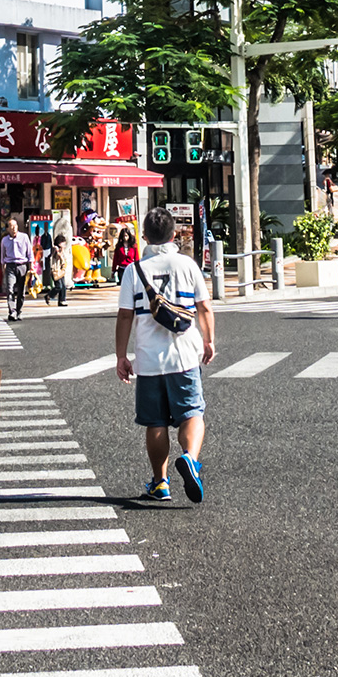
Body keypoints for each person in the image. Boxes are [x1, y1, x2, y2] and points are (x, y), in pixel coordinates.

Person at [114, 205, 215, 504]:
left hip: (148, 359)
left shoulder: (134, 270)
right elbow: (204, 307)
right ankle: (190, 459)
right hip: (184, 355)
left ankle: (161, 483)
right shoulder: (187, 265)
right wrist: (209, 340)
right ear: (174, 235)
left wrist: (121, 356)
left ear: (144, 236)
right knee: (192, 413)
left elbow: (124, 316)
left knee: (155, 422)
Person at [1, 218, 35, 322]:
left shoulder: (24, 237)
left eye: (15, 226)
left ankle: (19, 310)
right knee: (10, 289)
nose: (14, 228)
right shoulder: (4, 240)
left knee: (21, 290)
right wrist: (3, 268)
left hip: (22, 265)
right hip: (10, 265)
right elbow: (3, 255)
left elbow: (30, 252)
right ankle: (12, 311)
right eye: (11, 226)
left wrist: (31, 266)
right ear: (7, 229)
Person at [41, 233, 69, 308]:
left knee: (63, 286)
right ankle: (49, 295)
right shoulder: (55, 250)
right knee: (59, 286)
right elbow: (57, 257)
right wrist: (59, 251)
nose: (64, 245)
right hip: (55, 270)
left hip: (61, 270)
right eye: (63, 243)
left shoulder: (61, 250)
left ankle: (62, 300)